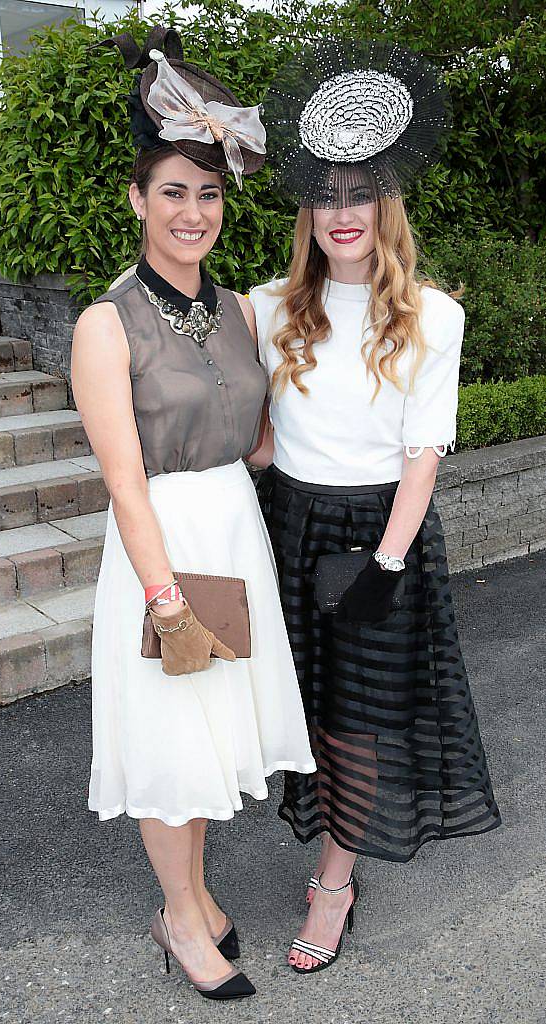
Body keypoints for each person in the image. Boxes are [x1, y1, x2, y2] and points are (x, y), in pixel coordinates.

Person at [71, 27, 315, 1001]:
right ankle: (180, 917)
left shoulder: (238, 311)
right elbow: (125, 481)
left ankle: (198, 893)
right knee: (172, 738)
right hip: (161, 550)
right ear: (137, 198)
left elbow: (256, 441)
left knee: (209, 732)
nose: (192, 211)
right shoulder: (104, 323)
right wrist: (164, 594)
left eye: (207, 192)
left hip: (231, 530)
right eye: (171, 190)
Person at [249, 37, 501, 975]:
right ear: (307, 210)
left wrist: (386, 565)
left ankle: (334, 882)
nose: (342, 213)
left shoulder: (433, 315)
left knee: (356, 717)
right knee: (302, 709)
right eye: (326, 195)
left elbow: (420, 454)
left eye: (359, 195)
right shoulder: (268, 305)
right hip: (287, 523)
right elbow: (263, 436)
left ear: (384, 208)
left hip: (377, 536)